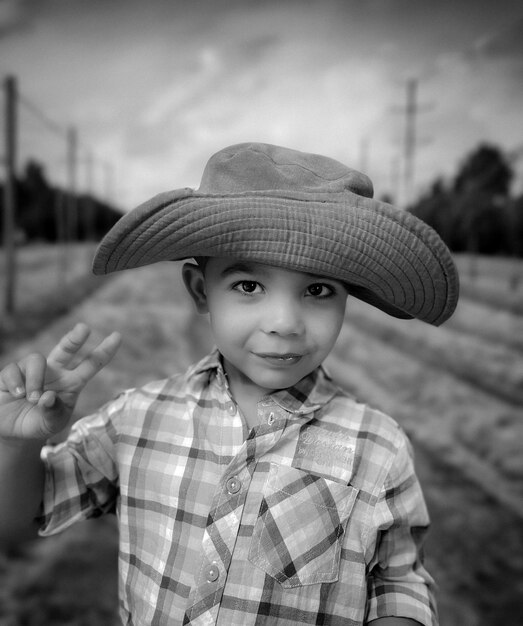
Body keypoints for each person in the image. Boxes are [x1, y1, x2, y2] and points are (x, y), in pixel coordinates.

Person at [0, 143, 459, 625]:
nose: (284, 322)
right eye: (248, 286)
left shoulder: (377, 446)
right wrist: (14, 444)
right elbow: (19, 521)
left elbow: (398, 580)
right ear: (201, 291)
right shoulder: (135, 419)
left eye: (318, 290)